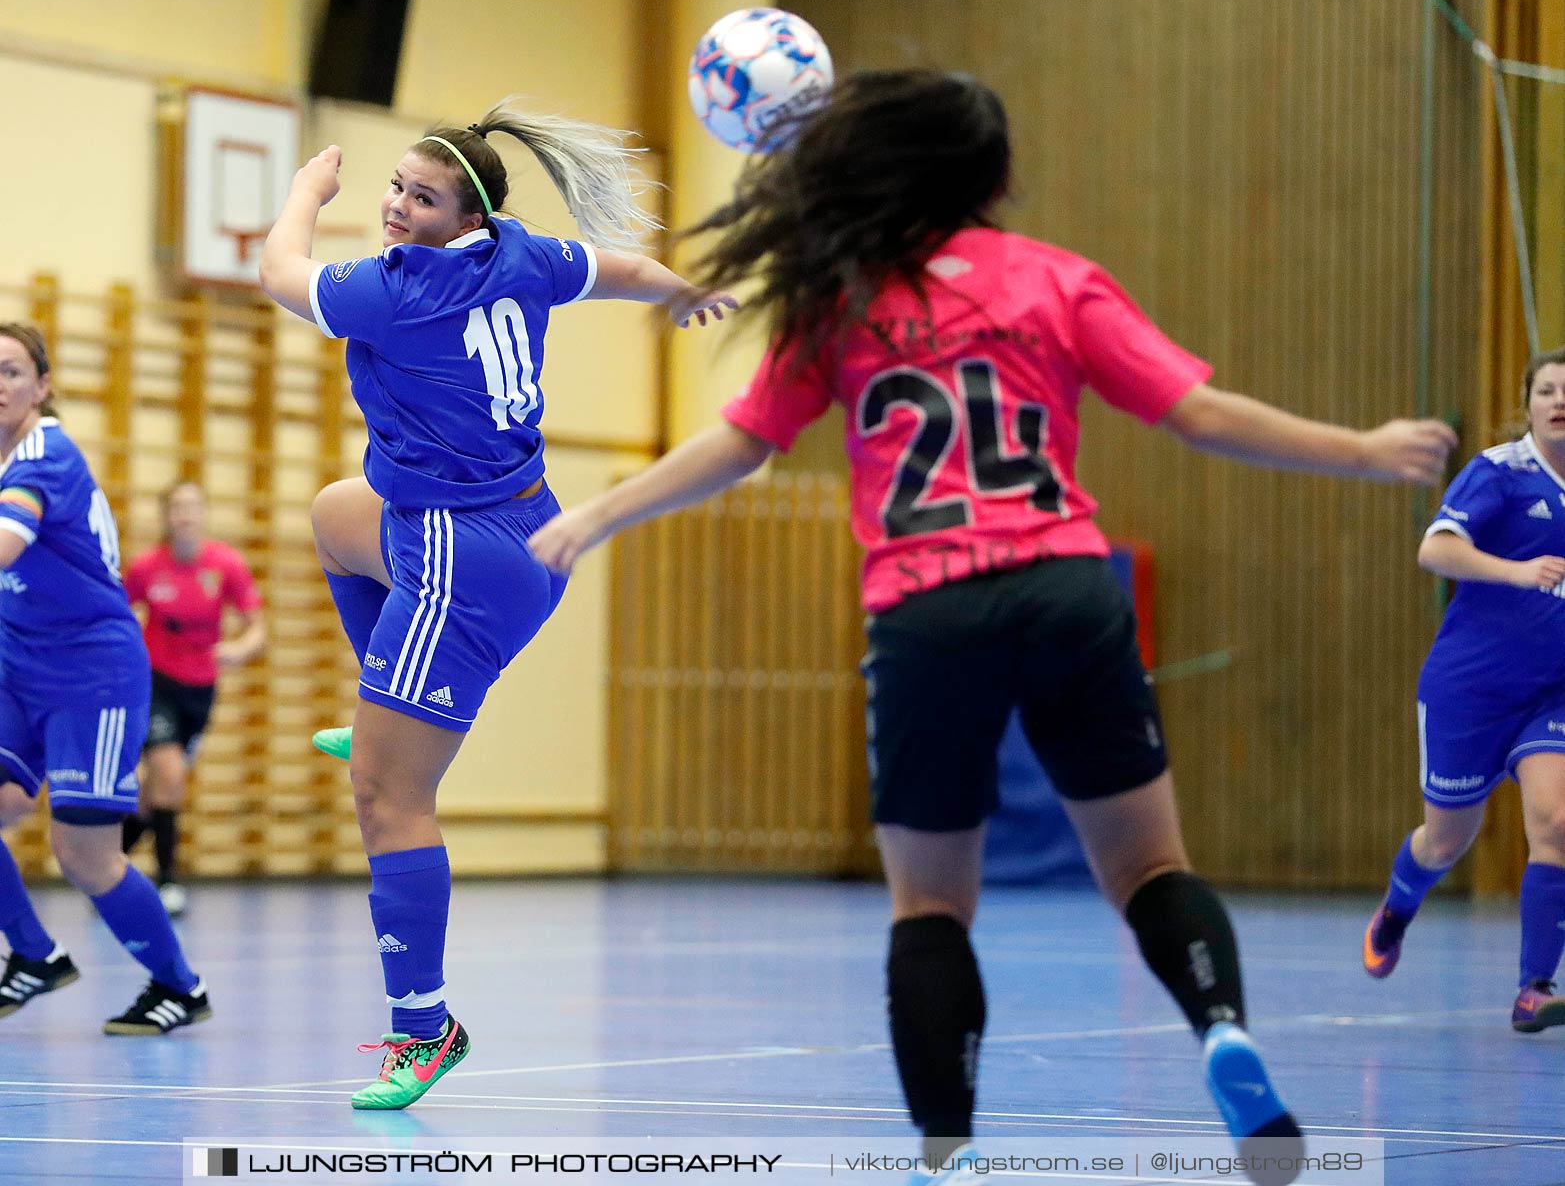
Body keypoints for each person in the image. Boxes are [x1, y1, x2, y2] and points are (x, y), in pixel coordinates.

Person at [526, 70, 1457, 1186]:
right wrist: (1363, 450)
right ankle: (1221, 1028)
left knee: (929, 906)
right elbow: (1196, 417)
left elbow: (741, 443)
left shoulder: (842, 298)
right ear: (990, 177)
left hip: (927, 612)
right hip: (1067, 591)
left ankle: (947, 1150)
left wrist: (593, 513)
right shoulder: (1054, 280)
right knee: (1150, 866)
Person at [258, 97, 734, 1110]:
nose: (395, 207)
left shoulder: (398, 289)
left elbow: (279, 274)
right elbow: (622, 272)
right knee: (339, 513)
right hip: (526, 527)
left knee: (389, 803)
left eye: (418, 198)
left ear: (459, 220)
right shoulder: (520, 256)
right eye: (394, 186)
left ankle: (422, 1029)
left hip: (456, 559)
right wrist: (679, 293)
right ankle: (374, 709)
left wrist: (308, 191)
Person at [0, 323, 211, 1035]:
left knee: (84, 855)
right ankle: (34, 954)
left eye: (11, 372)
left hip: (90, 671)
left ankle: (178, 985)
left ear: (43, 387)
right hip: (16, 659)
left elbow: (5, 545)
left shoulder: (44, 454)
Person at [1364, 348, 1565, 1032]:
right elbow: (1435, 549)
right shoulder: (1500, 473)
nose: (1558, 400)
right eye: (1546, 390)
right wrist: (1516, 572)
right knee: (1444, 842)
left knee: (1557, 822)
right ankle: (1396, 908)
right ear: (1527, 402)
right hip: (1471, 689)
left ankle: (1532, 987)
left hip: (1552, 693)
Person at [121, 481, 265, 917]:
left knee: (154, 794)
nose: (184, 516)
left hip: (201, 692)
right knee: (169, 775)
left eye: (192, 508)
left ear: (203, 515)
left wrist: (239, 649)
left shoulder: (225, 565)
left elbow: (257, 628)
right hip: (155, 684)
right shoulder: (147, 568)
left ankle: (107, 868)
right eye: (177, 508)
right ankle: (168, 882)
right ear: (166, 516)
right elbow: (116, 616)